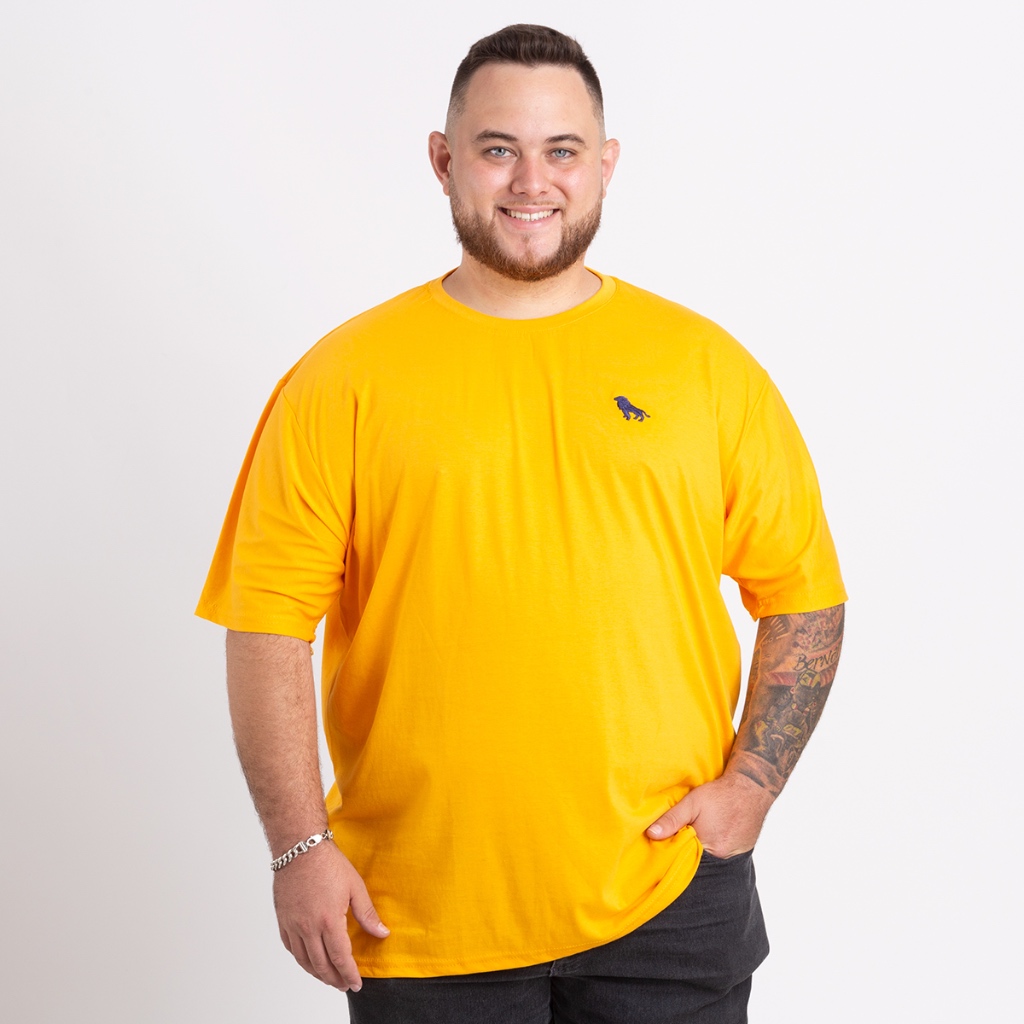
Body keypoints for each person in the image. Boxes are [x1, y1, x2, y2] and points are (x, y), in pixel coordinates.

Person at [197, 23, 846, 1024]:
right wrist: (298, 848)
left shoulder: (705, 369)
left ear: (606, 164)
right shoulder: (341, 381)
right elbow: (267, 627)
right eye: (497, 148)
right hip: (415, 910)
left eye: (562, 150)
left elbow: (803, 598)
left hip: (668, 895)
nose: (530, 181)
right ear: (443, 160)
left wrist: (752, 784)